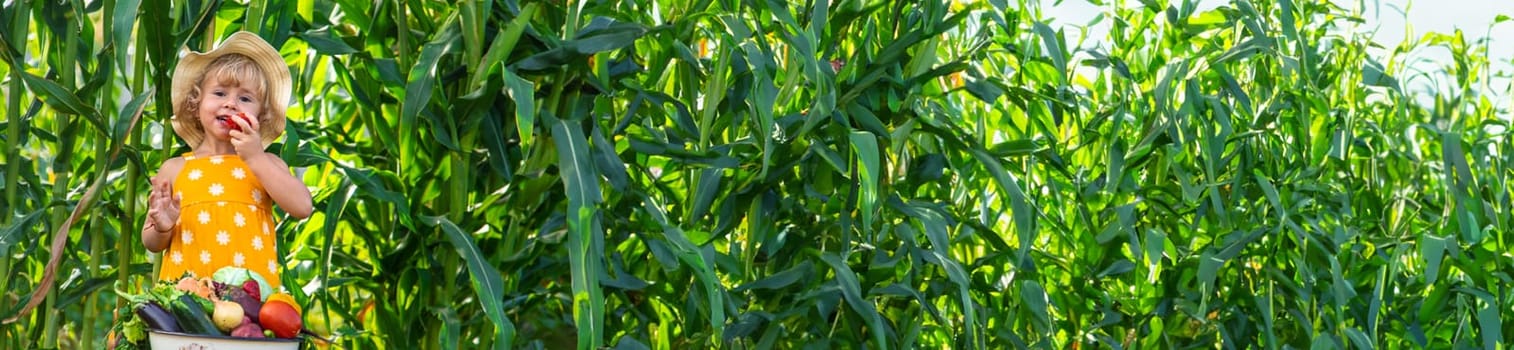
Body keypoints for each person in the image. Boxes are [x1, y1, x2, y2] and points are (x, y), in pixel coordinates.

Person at [140, 31, 312, 289]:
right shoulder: (175, 168)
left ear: (262, 114)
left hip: (250, 308)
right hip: (188, 305)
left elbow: (302, 207)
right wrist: (162, 227)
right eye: (219, 93)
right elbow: (151, 242)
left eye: (245, 98)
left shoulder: (267, 165)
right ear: (196, 104)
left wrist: (255, 157)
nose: (231, 104)